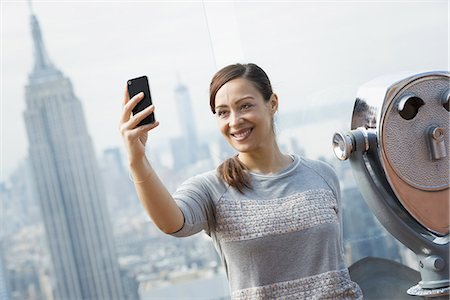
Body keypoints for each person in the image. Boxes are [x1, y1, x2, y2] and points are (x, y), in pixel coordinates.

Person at [119, 63, 363, 299]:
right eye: (223, 112)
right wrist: (137, 160)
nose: (234, 121)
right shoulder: (211, 189)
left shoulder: (322, 174)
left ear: (273, 103)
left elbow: (336, 264)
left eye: (245, 106)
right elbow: (170, 223)